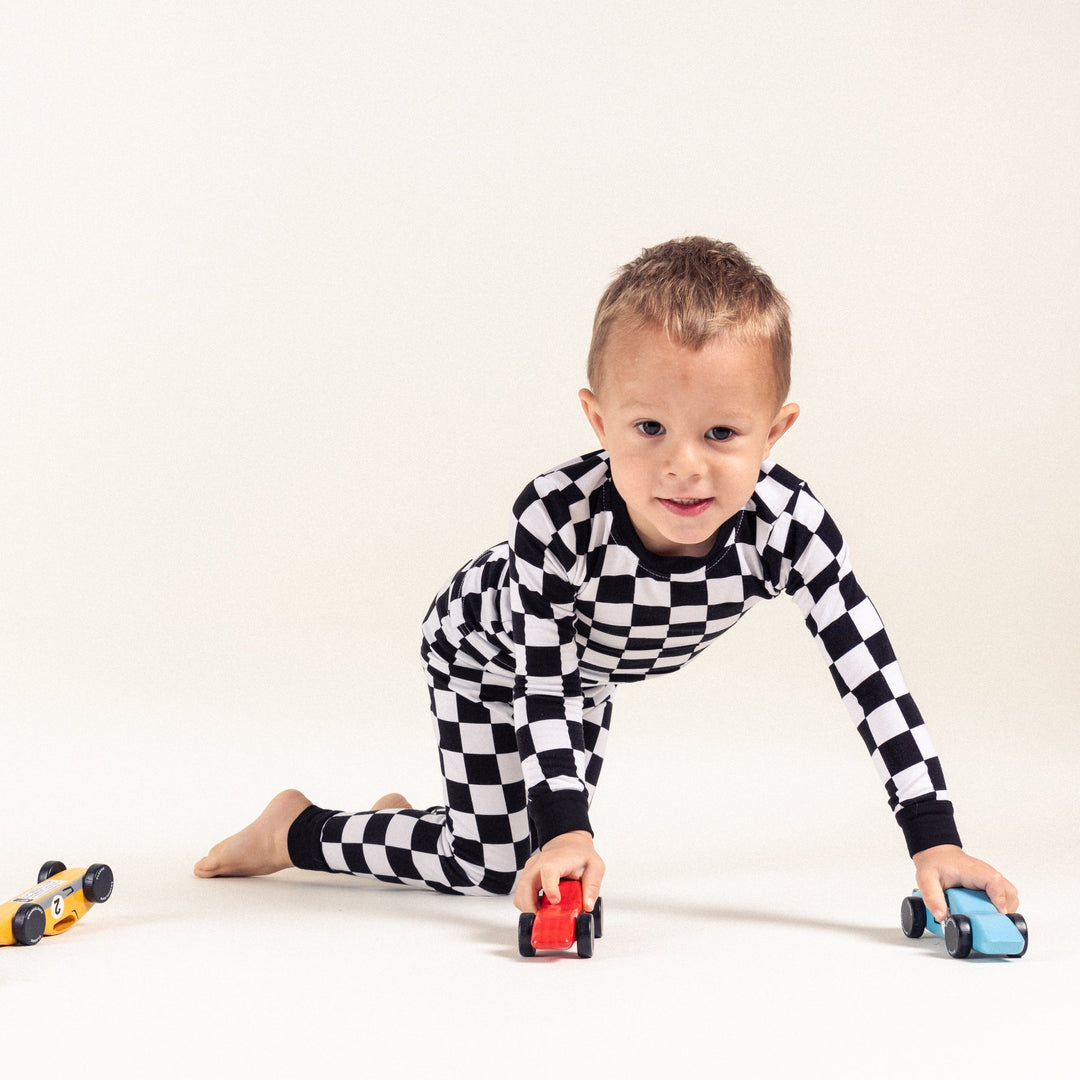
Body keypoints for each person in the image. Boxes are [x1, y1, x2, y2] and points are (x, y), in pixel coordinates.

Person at [195, 236, 1018, 928]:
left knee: (527, 845)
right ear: (598, 421)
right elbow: (541, 678)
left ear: (775, 433)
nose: (683, 465)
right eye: (649, 426)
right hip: (491, 653)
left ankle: (401, 824)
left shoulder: (787, 526)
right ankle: (298, 830)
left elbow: (869, 676)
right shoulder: (558, 519)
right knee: (496, 864)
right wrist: (565, 828)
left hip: (592, 672)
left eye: (722, 432)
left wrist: (932, 836)